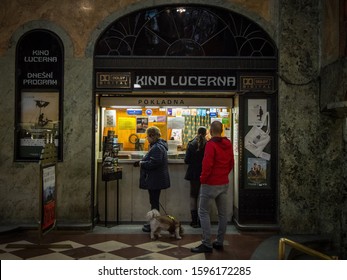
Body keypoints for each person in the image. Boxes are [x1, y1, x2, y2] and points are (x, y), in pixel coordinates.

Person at [191, 121, 234, 253]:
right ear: (221, 130)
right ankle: (219, 242)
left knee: (203, 212)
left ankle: (207, 243)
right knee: (222, 214)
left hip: (210, 183)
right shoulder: (228, 143)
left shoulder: (211, 144)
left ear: (210, 130)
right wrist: (224, 174)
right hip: (223, 183)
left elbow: (207, 164)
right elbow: (231, 162)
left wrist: (203, 179)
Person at [133, 126, 170, 232]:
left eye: (147, 136)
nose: (147, 139)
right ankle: (155, 223)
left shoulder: (157, 147)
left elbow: (154, 163)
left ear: (152, 136)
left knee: (154, 202)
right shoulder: (158, 145)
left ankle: (154, 224)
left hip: (155, 179)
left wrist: (141, 163)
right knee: (154, 202)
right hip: (156, 179)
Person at [184, 126, 207, 228]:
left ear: (197, 133)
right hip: (205, 173)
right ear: (206, 133)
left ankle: (194, 221)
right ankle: (202, 221)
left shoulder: (191, 143)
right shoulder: (209, 144)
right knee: (204, 197)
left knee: (193, 196)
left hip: (193, 173)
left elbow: (186, 160)